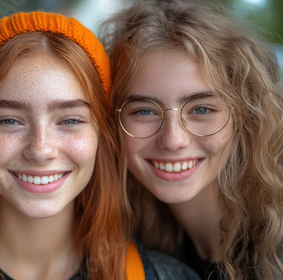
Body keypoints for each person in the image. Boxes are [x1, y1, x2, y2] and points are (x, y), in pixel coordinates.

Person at [0, 11, 200, 280]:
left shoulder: (162, 275)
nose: (41, 149)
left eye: (70, 120)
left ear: (102, 135)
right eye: (10, 120)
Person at [101, 0, 283, 279]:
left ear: (245, 117)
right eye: (145, 111)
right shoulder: (128, 245)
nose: (173, 140)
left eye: (201, 109)